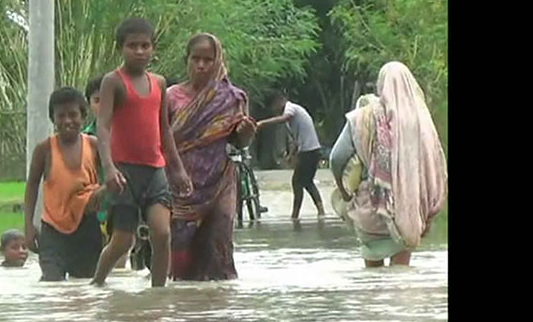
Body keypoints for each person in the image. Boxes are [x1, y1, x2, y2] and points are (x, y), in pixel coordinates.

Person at [90, 18, 192, 287]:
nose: (139, 51)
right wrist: (109, 167)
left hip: (155, 169)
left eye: (145, 45)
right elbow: (103, 125)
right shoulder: (114, 81)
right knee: (122, 240)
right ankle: (97, 284)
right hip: (125, 172)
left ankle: (158, 293)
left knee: (162, 233)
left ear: (153, 48)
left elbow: (164, 129)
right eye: (132, 46)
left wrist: (177, 168)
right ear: (121, 49)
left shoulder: (159, 83)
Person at [329, 61, 447, 267]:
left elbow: (336, 158)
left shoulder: (362, 118)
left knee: (372, 278)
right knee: (401, 275)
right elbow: (435, 164)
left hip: (371, 205)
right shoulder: (423, 121)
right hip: (410, 207)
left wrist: (344, 191)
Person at [167, 33, 256, 280]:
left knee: (219, 250)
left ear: (218, 62)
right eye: (196, 59)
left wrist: (246, 134)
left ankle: (219, 310)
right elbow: (161, 140)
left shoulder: (232, 98)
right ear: (187, 61)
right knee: (180, 258)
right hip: (181, 184)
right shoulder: (171, 97)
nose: (201, 65)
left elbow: (238, 143)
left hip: (220, 182)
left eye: (208, 60)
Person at [23, 87, 106, 281]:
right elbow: (32, 186)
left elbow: (113, 175)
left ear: (83, 116)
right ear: (53, 119)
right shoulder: (44, 150)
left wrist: (104, 197)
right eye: (61, 116)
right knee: (52, 286)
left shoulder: (94, 145)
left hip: (87, 227)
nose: (67, 121)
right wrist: (29, 225)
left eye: (73, 115)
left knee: (86, 288)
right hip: (53, 230)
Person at [84, 74, 131, 269]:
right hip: (95, 205)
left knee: (120, 254)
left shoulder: (129, 133)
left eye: (107, 100)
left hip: (124, 202)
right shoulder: (85, 139)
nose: (102, 105)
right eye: (97, 101)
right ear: (88, 104)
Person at [257, 91, 326, 220]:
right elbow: (295, 140)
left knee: (298, 181)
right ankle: (318, 210)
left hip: (309, 150)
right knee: (305, 181)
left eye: (273, 106)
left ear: (279, 101)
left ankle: (297, 214)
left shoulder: (290, 108)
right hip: (310, 150)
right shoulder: (291, 117)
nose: (273, 110)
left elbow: (285, 118)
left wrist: (262, 123)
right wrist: (291, 155)